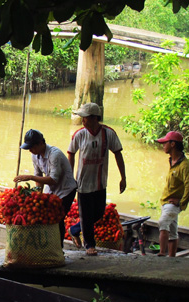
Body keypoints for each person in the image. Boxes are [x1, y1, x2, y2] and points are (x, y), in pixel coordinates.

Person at [67, 103, 126, 256]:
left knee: (99, 213)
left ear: (94, 118)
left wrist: (123, 177)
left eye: (85, 118)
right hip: (83, 182)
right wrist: (70, 177)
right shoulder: (79, 135)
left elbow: (118, 154)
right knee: (86, 215)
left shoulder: (108, 133)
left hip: (100, 181)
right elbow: (71, 153)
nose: (82, 121)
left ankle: (75, 229)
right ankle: (89, 245)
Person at [14, 129, 78, 247]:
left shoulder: (55, 155)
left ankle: (59, 248)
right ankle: (50, 246)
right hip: (51, 190)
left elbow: (53, 179)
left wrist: (30, 177)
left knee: (57, 218)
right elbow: (38, 176)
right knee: (47, 218)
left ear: (40, 144)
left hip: (65, 190)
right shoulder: (35, 155)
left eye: (32, 147)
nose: (30, 151)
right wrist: (37, 195)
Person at [156, 131, 189, 257]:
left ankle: (162, 253)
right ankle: (172, 258)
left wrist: (181, 203)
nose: (163, 146)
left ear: (172, 144)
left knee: (162, 223)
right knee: (172, 231)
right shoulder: (172, 161)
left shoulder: (184, 165)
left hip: (173, 203)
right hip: (166, 202)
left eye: (165, 143)